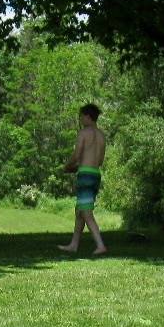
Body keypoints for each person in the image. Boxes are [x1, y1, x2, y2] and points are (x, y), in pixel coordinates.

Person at [59, 103, 108, 256]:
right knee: (80, 211)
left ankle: (100, 245)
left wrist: (68, 166)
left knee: (86, 212)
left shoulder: (83, 133)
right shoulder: (101, 135)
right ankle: (73, 245)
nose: (80, 119)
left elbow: (77, 154)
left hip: (85, 175)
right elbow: (99, 161)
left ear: (88, 116)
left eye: (81, 116)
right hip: (95, 174)